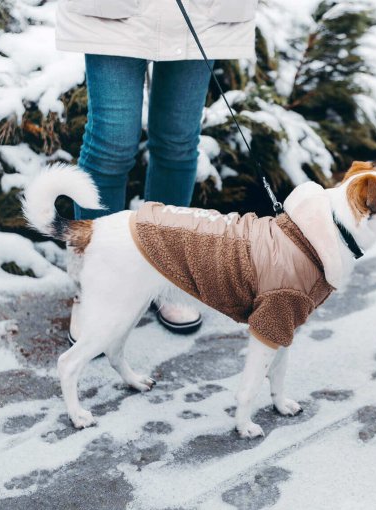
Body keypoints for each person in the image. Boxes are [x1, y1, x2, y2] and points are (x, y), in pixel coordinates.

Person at [55, 0, 258, 334]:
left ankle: (166, 271)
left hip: (200, 10)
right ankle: (97, 280)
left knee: (178, 141)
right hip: (114, 12)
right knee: (111, 143)